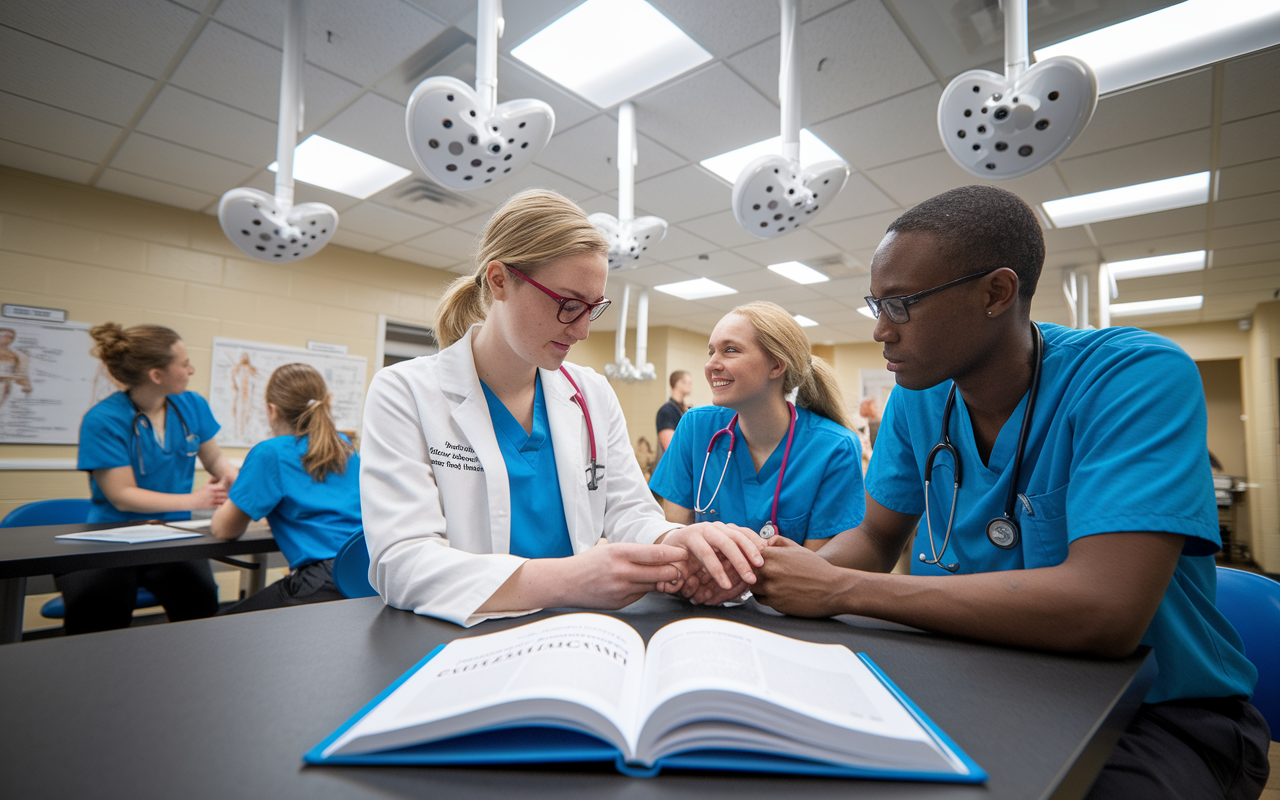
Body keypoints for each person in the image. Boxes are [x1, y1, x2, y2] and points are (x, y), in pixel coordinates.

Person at [749, 186, 1270, 799]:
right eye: (876, 304)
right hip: (974, 675)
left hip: (1154, 711)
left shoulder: (1133, 376)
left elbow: (1105, 611)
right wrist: (781, 578)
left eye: (902, 305)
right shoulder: (918, 399)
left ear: (996, 293)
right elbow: (874, 535)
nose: (880, 330)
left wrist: (842, 588)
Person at [360, 189, 763, 627]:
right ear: (499, 280)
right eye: (568, 305)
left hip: (577, 636)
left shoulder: (591, 394)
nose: (584, 330)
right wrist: (569, 578)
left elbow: (629, 511)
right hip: (461, 640)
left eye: (593, 308)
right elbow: (400, 564)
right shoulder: (405, 391)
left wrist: (680, 542)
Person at [650, 302, 865, 587]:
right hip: (700, 602)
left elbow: (813, 573)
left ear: (776, 365)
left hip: (785, 612)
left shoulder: (834, 448)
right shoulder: (695, 427)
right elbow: (675, 545)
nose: (711, 365)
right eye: (711, 351)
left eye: (730, 350)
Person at [69, 323, 236, 633]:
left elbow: (212, 457)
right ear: (156, 375)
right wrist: (196, 500)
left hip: (173, 533)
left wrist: (231, 476)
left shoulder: (192, 405)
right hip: (111, 537)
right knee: (98, 614)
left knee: (201, 604)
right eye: (184, 364)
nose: (191, 369)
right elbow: (121, 494)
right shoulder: (103, 420)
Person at [211, 363, 361, 612]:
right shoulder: (345, 445)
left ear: (272, 410)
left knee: (218, 629)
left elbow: (224, 529)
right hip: (366, 573)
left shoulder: (271, 453)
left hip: (325, 579)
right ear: (327, 402)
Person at [654, 370, 691, 464]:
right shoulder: (666, 411)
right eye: (685, 382)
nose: (689, 385)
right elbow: (671, 447)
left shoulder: (686, 410)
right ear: (677, 383)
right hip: (672, 466)